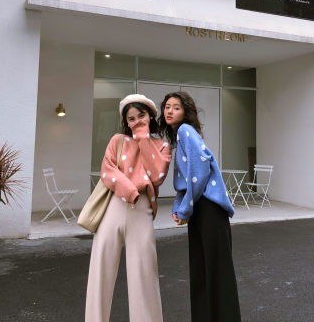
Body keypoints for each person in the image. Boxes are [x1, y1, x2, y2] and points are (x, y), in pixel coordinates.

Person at [85, 94, 171, 322]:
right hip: (114, 206)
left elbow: (157, 175)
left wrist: (143, 139)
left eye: (141, 115)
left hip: (142, 210)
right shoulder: (117, 140)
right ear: (126, 122)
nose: (137, 121)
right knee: (100, 271)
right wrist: (130, 191)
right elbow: (107, 170)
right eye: (131, 119)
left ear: (150, 116)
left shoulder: (162, 146)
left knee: (144, 274)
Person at [159, 91, 242, 322]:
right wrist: (179, 205)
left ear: (185, 112)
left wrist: (185, 209)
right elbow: (186, 180)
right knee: (203, 269)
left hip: (208, 208)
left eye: (176, 107)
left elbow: (200, 169)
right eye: (167, 107)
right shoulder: (181, 135)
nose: (170, 111)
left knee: (215, 270)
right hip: (201, 208)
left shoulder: (185, 130)